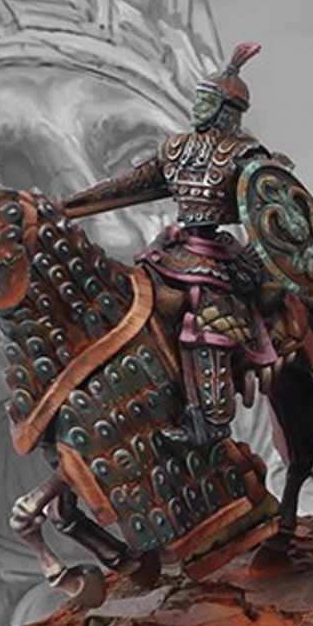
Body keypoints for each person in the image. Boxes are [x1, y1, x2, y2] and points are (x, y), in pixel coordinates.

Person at [63, 42, 281, 443]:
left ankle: (211, 422)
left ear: (226, 109)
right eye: (199, 98)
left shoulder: (247, 155)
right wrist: (70, 205)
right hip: (174, 252)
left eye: (207, 100)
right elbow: (130, 184)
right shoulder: (176, 148)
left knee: (209, 318)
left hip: (221, 260)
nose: (199, 106)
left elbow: (274, 211)